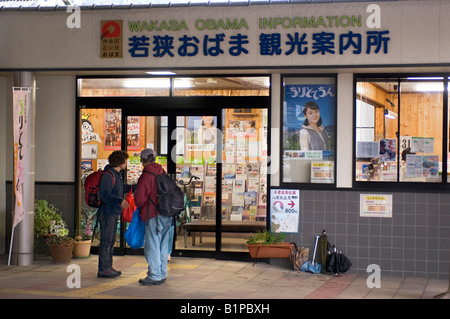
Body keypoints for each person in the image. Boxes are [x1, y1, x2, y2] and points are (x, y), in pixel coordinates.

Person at [134, 148, 172, 285]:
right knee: (162, 245)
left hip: (153, 214)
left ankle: (154, 275)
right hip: (167, 214)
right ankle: (161, 273)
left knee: (152, 246)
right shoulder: (162, 172)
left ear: (142, 160)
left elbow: (139, 199)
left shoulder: (146, 176)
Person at [97, 150, 133, 278]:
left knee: (111, 241)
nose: (127, 163)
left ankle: (108, 266)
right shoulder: (108, 175)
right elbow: (105, 195)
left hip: (113, 212)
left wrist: (134, 187)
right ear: (120, 161)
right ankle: (103, 268)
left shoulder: (116, 174)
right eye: (126, 160)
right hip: (107, 213)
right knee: (106, 241)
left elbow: (121, 188)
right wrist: (120, 201)